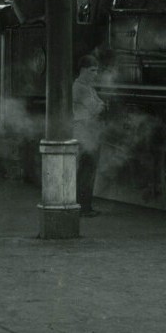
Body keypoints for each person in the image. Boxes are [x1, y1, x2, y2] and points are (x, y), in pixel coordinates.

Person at [72, 54, 106, 217]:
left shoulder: (89, 88)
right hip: (84, 132)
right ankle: (82, 207)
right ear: (83, 70)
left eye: (97, 71)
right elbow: (97, 107)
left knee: (89, 169)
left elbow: (100, 105)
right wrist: (99, 106)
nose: (96, 74)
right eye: (93, 70)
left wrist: (99, 106)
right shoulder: (80, 88)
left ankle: (85, 205)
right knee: (86, 169)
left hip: (90, 132)